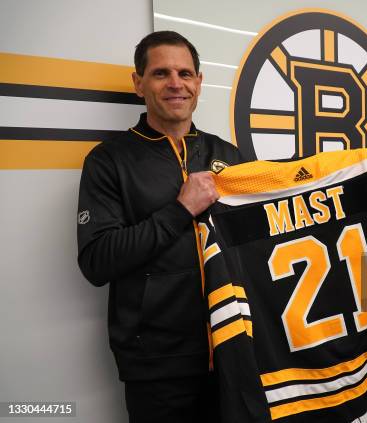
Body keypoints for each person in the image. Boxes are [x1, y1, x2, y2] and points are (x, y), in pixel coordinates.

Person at [77, 31, 243, 423]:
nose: (175, 83)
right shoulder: (109, 161)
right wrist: (181, 209)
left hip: (234, 351)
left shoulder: (228, 154)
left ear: (199, 83)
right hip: (157, 368)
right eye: (160, 73)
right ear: (139, 83)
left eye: (185, 73)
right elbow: (97, 261)